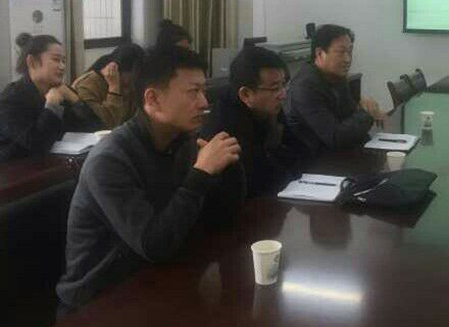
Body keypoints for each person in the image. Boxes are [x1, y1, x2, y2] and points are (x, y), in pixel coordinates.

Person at [56, 47, 241, 313]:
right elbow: (154, 245)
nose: (204, 102)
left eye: (203, 90)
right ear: (152, 99)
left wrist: (229, 165)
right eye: (193, 92)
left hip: (158, 280)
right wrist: (201, 174)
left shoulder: (182, 141)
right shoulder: (110, 160)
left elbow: (219, 219)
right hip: (101, 300)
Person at [200, 46, 299, 198]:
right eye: (274, 88)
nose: (283, 94)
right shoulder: (226, 125)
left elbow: (297, 150)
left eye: (284, 85)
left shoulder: (269, 107)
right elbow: (258, 179)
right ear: (246, 94)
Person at [283, 24, 385, 157]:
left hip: (338, 155)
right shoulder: (305, 87)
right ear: (320, 53)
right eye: (341, 52)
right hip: (312, 161)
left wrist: (362, 108)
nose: (348, 59)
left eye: (350, 52)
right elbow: (336, 137)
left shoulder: (336, 77)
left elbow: (350, 115)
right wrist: (368, 113)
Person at [0, 33, 101, 163]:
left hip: (60, 164)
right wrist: (52, 106)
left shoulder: (63, 91)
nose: (62, 66)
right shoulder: (11, 98)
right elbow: (36, 144)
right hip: (17, 168)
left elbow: (96, 129)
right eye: (56, 60)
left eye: (63, 61)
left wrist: (76, 101)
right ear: (32, 62)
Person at [72, 44, 144, 129]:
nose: (132, 86)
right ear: (116, 69)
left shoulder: (132, 84)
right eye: (132, 77)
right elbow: (105, 125)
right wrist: (114, 89)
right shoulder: (86, 85)